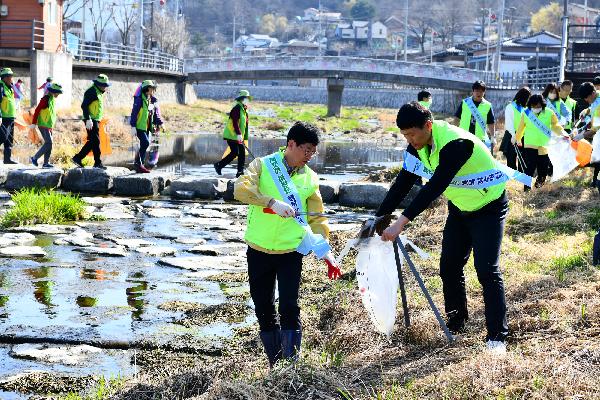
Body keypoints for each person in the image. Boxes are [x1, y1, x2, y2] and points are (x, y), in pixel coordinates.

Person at [369, 102, 513, 354]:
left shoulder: (456, 144)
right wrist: (379, 217)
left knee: (486, 270)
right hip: (460, 207)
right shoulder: (417, 146)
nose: (410, 140)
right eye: (405, 135)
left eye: (412, 134)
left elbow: (433, 188)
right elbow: (403, 182)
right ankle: (457, 321)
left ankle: (497, 337)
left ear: (428, 125)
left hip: (488, 207)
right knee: (449, 266)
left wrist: (400, 223)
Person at [234, 121, 341, 367]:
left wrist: (327, 254)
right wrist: (270, 202)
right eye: (306, 150)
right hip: (258, 249)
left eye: (313, 151)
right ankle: (275, 364)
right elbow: (240, 190)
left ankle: (291, 366)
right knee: (263, 308)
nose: (310, 156)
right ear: (290, 144)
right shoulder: (262, 164)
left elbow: (317, 219)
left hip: (291, 252)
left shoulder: (310, 179)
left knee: (290, 307)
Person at [515, 94, 567, 190]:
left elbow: (555, 125)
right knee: (530, 167)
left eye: (538, 106)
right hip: (530, 144)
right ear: (530, 105)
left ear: (542, 105)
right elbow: (521, 127)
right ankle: (526, 189)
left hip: (544, 145)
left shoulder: (549, 113)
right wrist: (518, 138)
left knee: (543, 168)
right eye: (533, 106)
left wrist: (563, 133)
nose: (536, 108)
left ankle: (539, 187)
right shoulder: (526, 113)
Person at [72, 74, 111, 170]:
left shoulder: (98, 92)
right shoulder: (92, 91)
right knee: (96, 141)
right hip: (91, 120)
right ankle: (98, 162)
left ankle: (77, 158)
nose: (105, 87)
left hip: (95, 120)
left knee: (92, 142)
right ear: (98, 84)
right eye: (104, 85)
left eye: (106, 85)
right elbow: (84, 105)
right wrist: (88, 119)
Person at [214, 89, 251, 178]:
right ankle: (219, 165)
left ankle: (239, 172)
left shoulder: (244, 110)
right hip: (232, 135)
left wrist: (242, 136)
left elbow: (244, 124)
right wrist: (238, 134)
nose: (248, 100)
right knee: (235, 152)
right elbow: (234, 122)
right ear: (242, 99)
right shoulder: (237, 108)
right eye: (246, 98)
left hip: (238, 136)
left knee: (241, 153)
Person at [130, 80, 163, 173]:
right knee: (145, 143)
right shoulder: (139, 99)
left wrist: (159, 124)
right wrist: (133, 126)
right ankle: (139, 164)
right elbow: (134, 113)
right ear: (148, 88)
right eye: (152, 88)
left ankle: (139, 164)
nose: (153, 90)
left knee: (144, 144)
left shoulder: (149, 99)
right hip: (139, 126)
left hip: (146, 127)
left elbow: (153, 114)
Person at [29, 83, 63, 168]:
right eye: (58, 93)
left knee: (50, 144)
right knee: (49, 142)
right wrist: (33, 123)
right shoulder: (45, 99)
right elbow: (37, 110)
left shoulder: (52, 99)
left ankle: (45, 163)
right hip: (43, 124)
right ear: (53, 91)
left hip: (48, 125)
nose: (58, 94)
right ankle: (34, 158)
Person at [455, 80, 495, 152]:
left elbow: (491, 122)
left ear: (484, 92)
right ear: (473, 91)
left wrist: (492, 137)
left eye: (481, 91)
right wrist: (454, 131)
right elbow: (457, 118)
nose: (479, 93)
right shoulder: (465, 102)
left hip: (479, 139)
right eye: (477, 91)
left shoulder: (487, 105)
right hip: (464, 136)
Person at [500, 87, 530, 170]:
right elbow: (509, 123)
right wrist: (514, 135)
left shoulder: (526, 108)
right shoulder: (511, 106)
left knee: (523, 158)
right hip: (511, 135)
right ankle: (512, 176)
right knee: (511, 157)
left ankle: (521, 175)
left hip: (523, 135)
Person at [576, 82, 600, 187]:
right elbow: (593, 108)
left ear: (591, 94)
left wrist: (581, 136)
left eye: (586, 98)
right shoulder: (597, 95)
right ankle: (595, 182)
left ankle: (597, 183)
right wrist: (586, 111)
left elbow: (594, 130)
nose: (586, 101)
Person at [0, 68, 18, 164]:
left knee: (9, 139)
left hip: (10, 117)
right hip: (4, 117)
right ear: (5, 78)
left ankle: (7, 159)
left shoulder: (10, 87)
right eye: (10, 76)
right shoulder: (1, 87)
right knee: (2, 137)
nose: (12, 78)